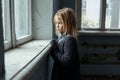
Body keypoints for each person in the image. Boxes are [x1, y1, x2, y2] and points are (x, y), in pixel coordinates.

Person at [50, 7, 80, 80]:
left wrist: (54, 51)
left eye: (60, 23)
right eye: (56, 23)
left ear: (68, 24)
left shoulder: (70, 40)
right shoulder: (63, 38)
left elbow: (66, 61)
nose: (57, 25)